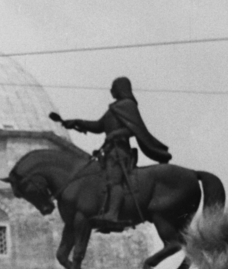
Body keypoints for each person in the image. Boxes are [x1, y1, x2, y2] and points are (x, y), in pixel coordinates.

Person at [51, 75, 174, 227]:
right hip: (109, 151)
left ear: (120, 89)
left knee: (114, 181)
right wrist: (77, 122)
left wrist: (117, 134)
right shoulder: (114, 109)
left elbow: (133, 129)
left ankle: (113, 214)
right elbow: (98, 126)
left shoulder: (128, 106)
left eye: (113, 87)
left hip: (119, 152)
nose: (111, 90)